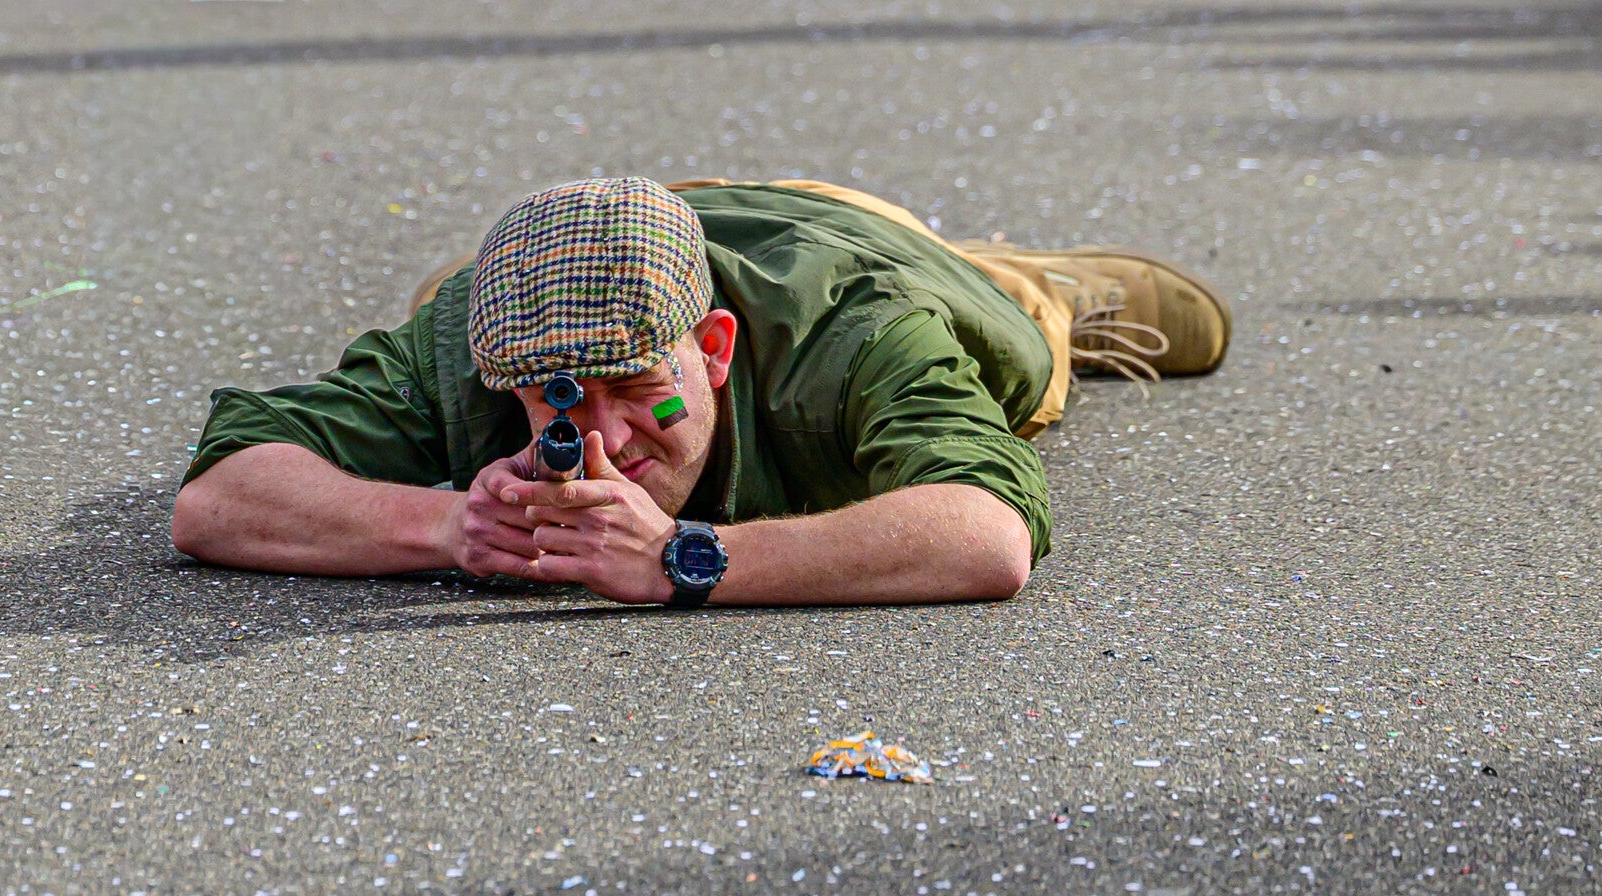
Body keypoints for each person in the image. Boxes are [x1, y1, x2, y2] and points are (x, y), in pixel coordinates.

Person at [170, 177, 1230, 607]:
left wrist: (687, 558)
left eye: (639, 387)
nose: (606, 438)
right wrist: (454, 527)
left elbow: (988, 534)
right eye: (559, 399)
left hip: (867, 244)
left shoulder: (860, 335)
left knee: (1023, 355)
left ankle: (1040, 281)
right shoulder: (472, 346)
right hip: (655, 221)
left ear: (713, 348)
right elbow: (219, 497)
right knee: (448, 297)